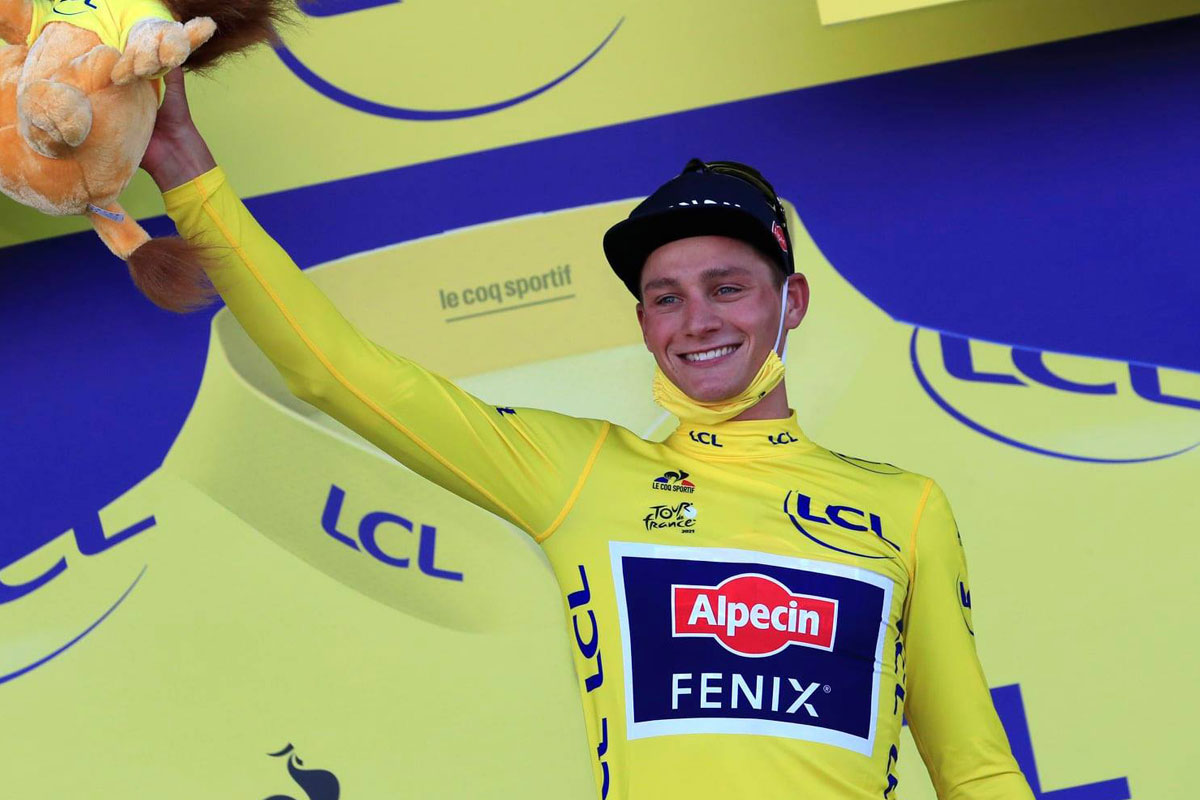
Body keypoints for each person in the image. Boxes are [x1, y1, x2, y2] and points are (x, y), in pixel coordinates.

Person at [142, 68, 1034, 800]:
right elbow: (332, 371)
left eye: (727, 287)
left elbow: (978, 772)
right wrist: (186, 169)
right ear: (643, 324)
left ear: (790, 301)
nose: (697, 320)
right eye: (665, 298)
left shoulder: (905, 509)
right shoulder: (580, 473)